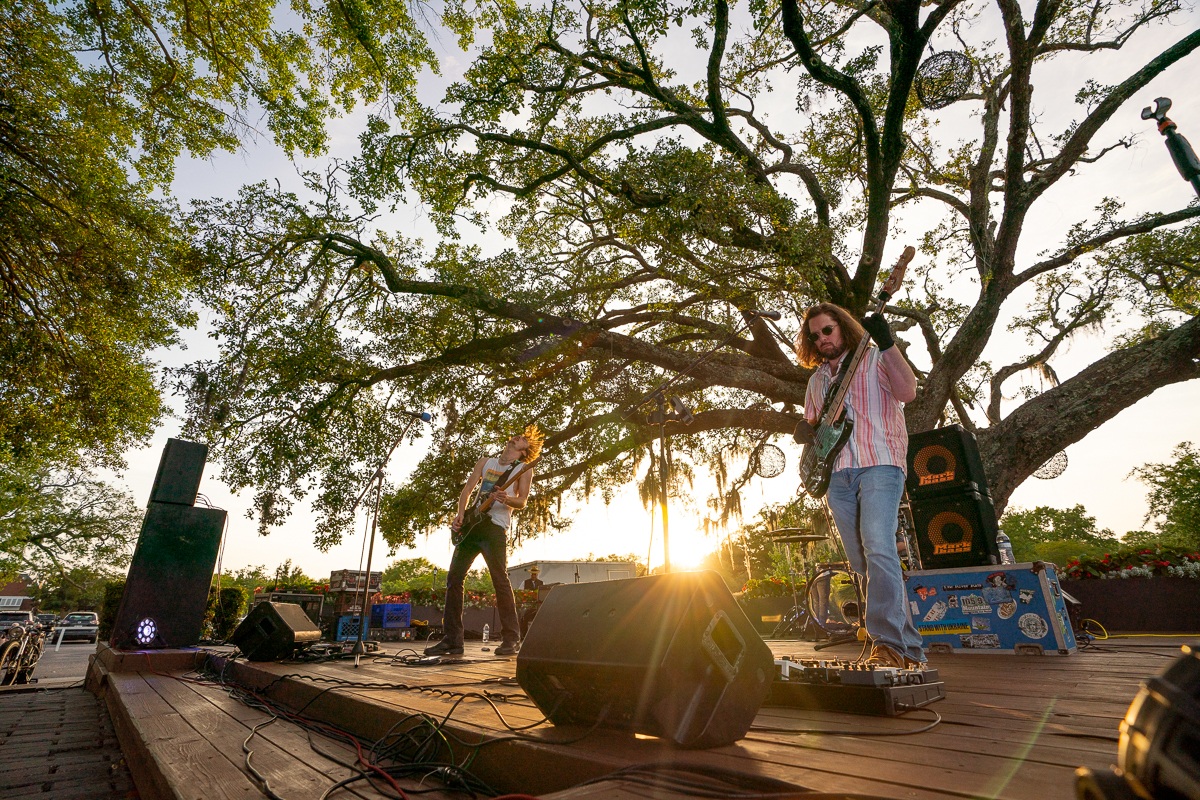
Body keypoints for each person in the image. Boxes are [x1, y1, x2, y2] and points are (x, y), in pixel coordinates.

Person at [794, 303, 925, 669]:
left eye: (828, 330)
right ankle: (906, 647)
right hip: (837, 473)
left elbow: (908, 391)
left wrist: (887, 343)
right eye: (814, 335)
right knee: (861, 561)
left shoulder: (873, 358)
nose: (822, 339)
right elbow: (817, 428)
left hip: (879, 462)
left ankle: (886, 642)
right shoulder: (817, 380)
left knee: (878, 544)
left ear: (844, 328)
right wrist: (805, 430)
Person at [425, 425, 544, 657]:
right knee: (453, 579)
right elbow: (468, 489)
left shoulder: (522, 469)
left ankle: (511, 639)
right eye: (518, 435)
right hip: (472, 526)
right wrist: (460, 514)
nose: (518, 437)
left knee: (500, 580)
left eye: (523, 441)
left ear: (524, 452)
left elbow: (522, 501)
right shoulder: (485, 461)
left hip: (495, 528)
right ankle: (452, 640)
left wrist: (506, 498)